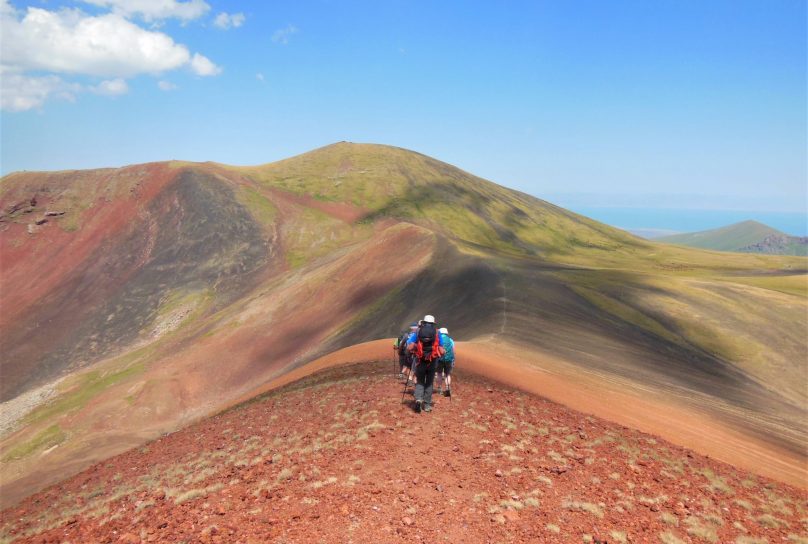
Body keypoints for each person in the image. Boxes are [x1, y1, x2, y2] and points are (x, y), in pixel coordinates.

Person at [407, 315, 443, 413]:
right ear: (433, 323)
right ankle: (427, 404)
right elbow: (441, 347)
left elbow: (409, 343)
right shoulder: (437, 332)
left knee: (420, 381)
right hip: (432, 361)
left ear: (424, 322)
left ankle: (418, 399)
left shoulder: (418, 331)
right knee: (429, 382)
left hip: (420, 360)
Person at [435, 327, 455, 397]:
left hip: (439, 359)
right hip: (448, 359)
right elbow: (453, 350)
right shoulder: (450, 340)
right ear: (446, 333)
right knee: (447, 374)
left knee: (439, 374)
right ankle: (448, 388)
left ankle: (440, 389)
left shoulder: (438, 339)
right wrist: (453, 359)